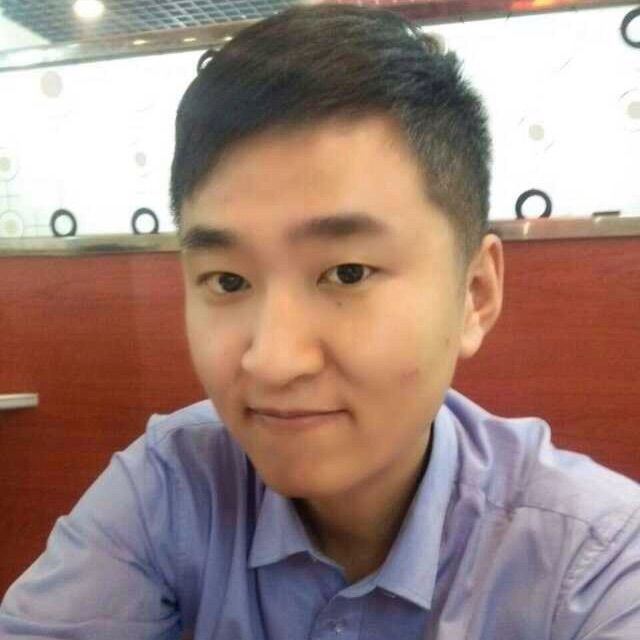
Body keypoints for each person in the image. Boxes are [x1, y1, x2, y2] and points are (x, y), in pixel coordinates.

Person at [1, 4, 638, 639]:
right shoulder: (170, 486)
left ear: (475, 293)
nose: (272, 361)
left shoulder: (594, 567)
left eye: (347, 273)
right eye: (228, 281)